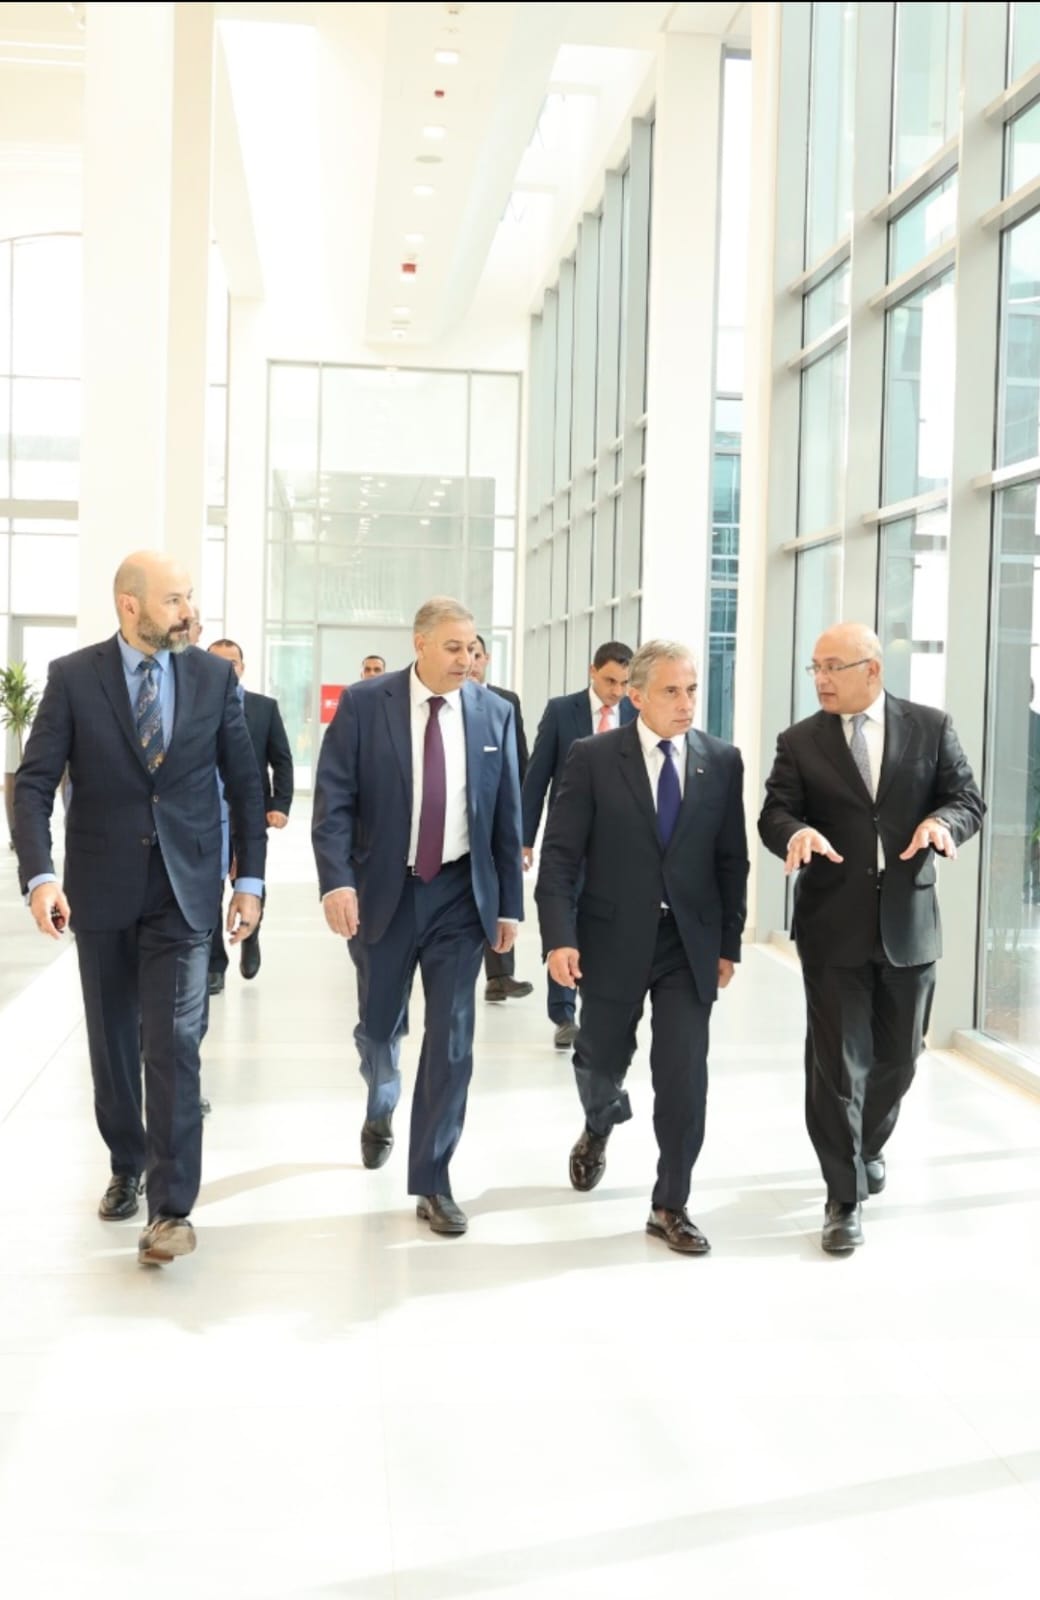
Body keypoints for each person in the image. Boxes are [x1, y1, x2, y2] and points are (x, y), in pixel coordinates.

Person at [13, 550, 266, 1266]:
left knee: (174, 1043)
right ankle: (127, 1161)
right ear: (130, 606)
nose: (188, 612)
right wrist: (40, 876)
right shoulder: (74, 677)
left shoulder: (213, 677)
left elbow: (244, 783)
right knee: (114, 1042)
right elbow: (33, 784)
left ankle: (172, 1209)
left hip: (185, 891)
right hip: (100, 888)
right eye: (174, 600)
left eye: (189, 597)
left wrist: (250, 881)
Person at [758, 622, 984, 1255]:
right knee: (836, 1065)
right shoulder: (800, 741)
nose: (821, 679)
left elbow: (966, 799)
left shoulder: (930, 727)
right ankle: (843, 1196)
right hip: (832, 925)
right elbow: (775, 812)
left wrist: (943, 824)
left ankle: (867, 1146)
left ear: (873, 670)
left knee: (900, 1057)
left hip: (908, 923)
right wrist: (795, 833)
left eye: (833, 667)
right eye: (815, 667)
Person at [312, 596, 523, 1236]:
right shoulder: (364, 704)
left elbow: (506, 817)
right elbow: (334, 800)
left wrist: (509, 906)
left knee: (453, 1036)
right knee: (380, 1026)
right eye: (453, 647)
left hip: (459, 893)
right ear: (421, 644)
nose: (466, 659)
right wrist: (336, 883)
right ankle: (381, 1095)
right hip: (384, 891)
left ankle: (433, 1179)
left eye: (472, 648)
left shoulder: (494, 712)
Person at [536, 640, 748, 1255]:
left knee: (683, 1075)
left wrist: (728, 942)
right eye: (671, 691)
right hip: (610, 938)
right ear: (636, 696)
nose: (686, 703)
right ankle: (599, 1121)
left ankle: (669, 1204)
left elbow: (731, 859)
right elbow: (560, 857)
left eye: (692, 690)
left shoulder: (722, 761)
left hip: (688, 942)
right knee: (600, 1058)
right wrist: (559, 938)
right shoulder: (593, 757)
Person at [522, 640, 636, 1047]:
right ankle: (563, 1013)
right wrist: (524, 839)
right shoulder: (561, 711)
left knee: (604, 925)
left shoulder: (635, 714)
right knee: (562, 917)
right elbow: (537, 777)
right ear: (592, 672)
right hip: (568, 839)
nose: (616, 691)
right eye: (610, 681)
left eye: (624, 683)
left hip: (617, 845)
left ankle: (597, 1006)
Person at [206, 637, 293, 988]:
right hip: (206, 816)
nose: (226, 669)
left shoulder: (263, 708)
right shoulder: (194, 706)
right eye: (217, 662)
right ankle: (215, 962)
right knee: (209, 888)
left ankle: (251, 934)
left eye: (232, 662)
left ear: (242, 667)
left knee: (249, 879)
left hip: (249, 814)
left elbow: (282, 760)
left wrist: (280, 805)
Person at [469, 632, 532, 1003]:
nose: (470, 661)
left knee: (497, 889)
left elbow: (518, 761)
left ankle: (500, 975)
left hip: (496, 815)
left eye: (476, 654)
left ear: (486, 658)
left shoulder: (505, 702)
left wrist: (520, 823)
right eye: (464, 652)